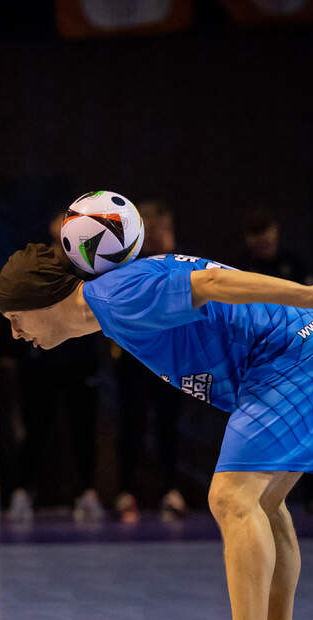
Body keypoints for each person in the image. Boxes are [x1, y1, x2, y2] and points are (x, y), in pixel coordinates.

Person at [0, 243, 313, 620]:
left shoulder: (114, 297)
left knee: (232, 497)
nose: (15, 333)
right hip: (302, 353)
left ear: (42, 300)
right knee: (267, 503)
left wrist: (309, 295)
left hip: (291, 355)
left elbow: (212, 282)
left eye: (15, 318)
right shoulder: (114, 306)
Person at [6, 212, 104, 524]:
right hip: (43, 365)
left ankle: (87, 493)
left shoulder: (92, 266)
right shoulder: (39, 265)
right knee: (35, 429)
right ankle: (21, 492)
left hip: (80, 362)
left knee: (83, 429)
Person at [238, 208, 313, 515]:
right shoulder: (243, 268)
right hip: (262, 359)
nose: (263, 241)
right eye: (256, 236)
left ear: (275, 231)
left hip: (299, 353)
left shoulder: (295, 263)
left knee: (308, 422)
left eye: (266, 233)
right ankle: (265, 495)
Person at [113, 200, 191, 523]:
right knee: (132, 423)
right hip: (135, 357)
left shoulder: (178, 262)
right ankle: (126, 492)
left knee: (168, 425)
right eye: (154, 228)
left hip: (170, 357)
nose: (159, 234)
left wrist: (169, 251)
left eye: (164, 228)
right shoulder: (127, 264)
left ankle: (170, 490)